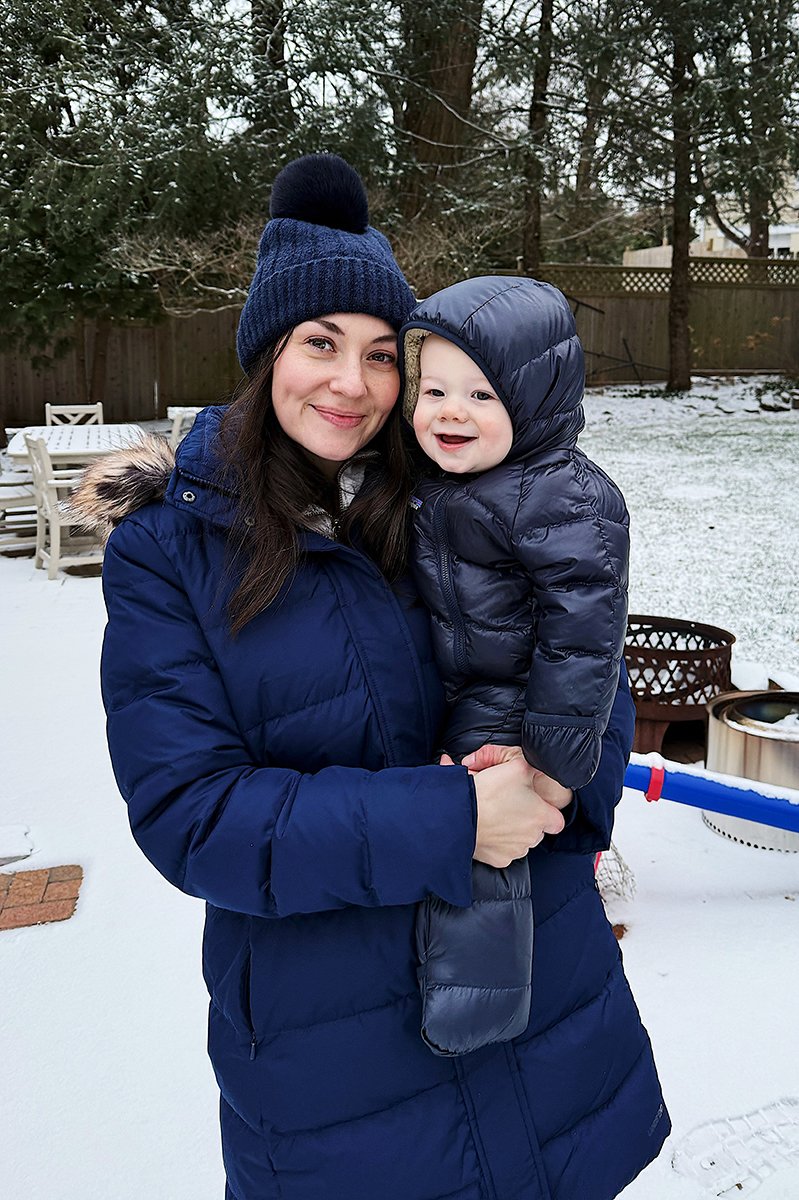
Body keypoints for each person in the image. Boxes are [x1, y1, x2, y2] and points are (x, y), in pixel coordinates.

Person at [72, 154, 669, 1200]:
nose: (351, 383)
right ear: (266, 354)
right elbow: (192, 814)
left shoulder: (456, 496)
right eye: (319, 344)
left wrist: (554, 779)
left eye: (383, 354)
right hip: (338, 1064)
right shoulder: (170, 552)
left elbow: (588, 677)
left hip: (542, 1009)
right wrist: (452, 819)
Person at [399, 278, 631, 1056]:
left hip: (513, 705)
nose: (448, 411)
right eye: (432, 389)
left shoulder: (561, 495)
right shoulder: (456, 480)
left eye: (479, 393)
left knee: (490, 859)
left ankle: (474, 1004)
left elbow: (584, 636)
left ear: (533, 403)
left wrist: (551, 758)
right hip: (466, 685)